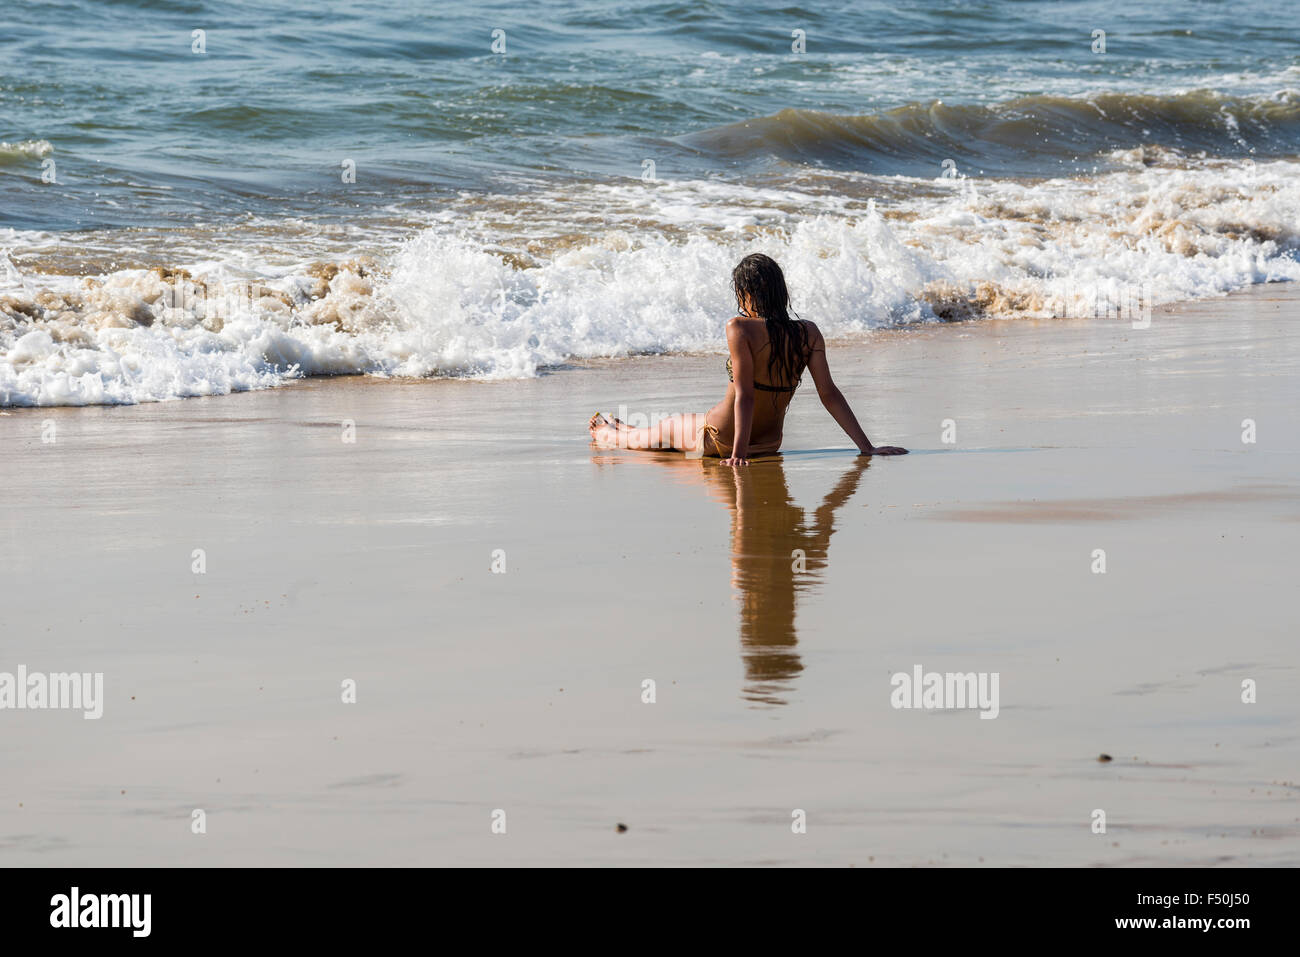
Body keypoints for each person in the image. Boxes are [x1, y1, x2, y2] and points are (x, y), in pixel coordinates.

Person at [588, 253, 908, 465]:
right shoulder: (808, 332)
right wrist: (867, 447)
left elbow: (746, 394)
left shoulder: (739, 327)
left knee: (652, 435)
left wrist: (738, 454)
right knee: (663, 428)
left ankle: (608, 434)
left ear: (747, 294)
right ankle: (625, 426)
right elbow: (829, 394)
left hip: (720, 438)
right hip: (769, 443)